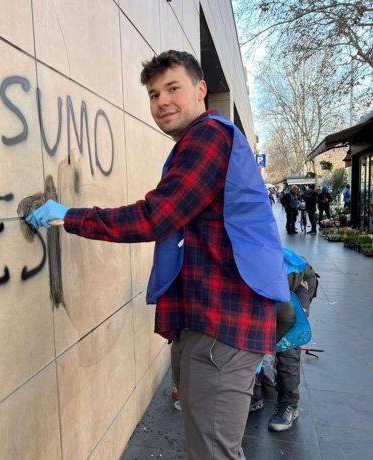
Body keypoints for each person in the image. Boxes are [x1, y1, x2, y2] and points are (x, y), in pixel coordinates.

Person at [25, 50, 290, 460]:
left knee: (214, 452)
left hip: (221, 322)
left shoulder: (209, 136)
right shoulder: (201, 140)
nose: (161, 101)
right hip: (210, 320)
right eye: (153, 94)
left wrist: (71, 216)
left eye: (172, 88)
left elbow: (157, 216)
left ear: (201, 91)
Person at [249, 248, 319, 431]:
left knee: (288, 343)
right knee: (248, 340)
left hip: (299, 283)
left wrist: (267, 348)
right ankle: (252, 397)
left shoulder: (265, 278)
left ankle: (289, 403)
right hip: (268, 287)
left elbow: (287, 317)